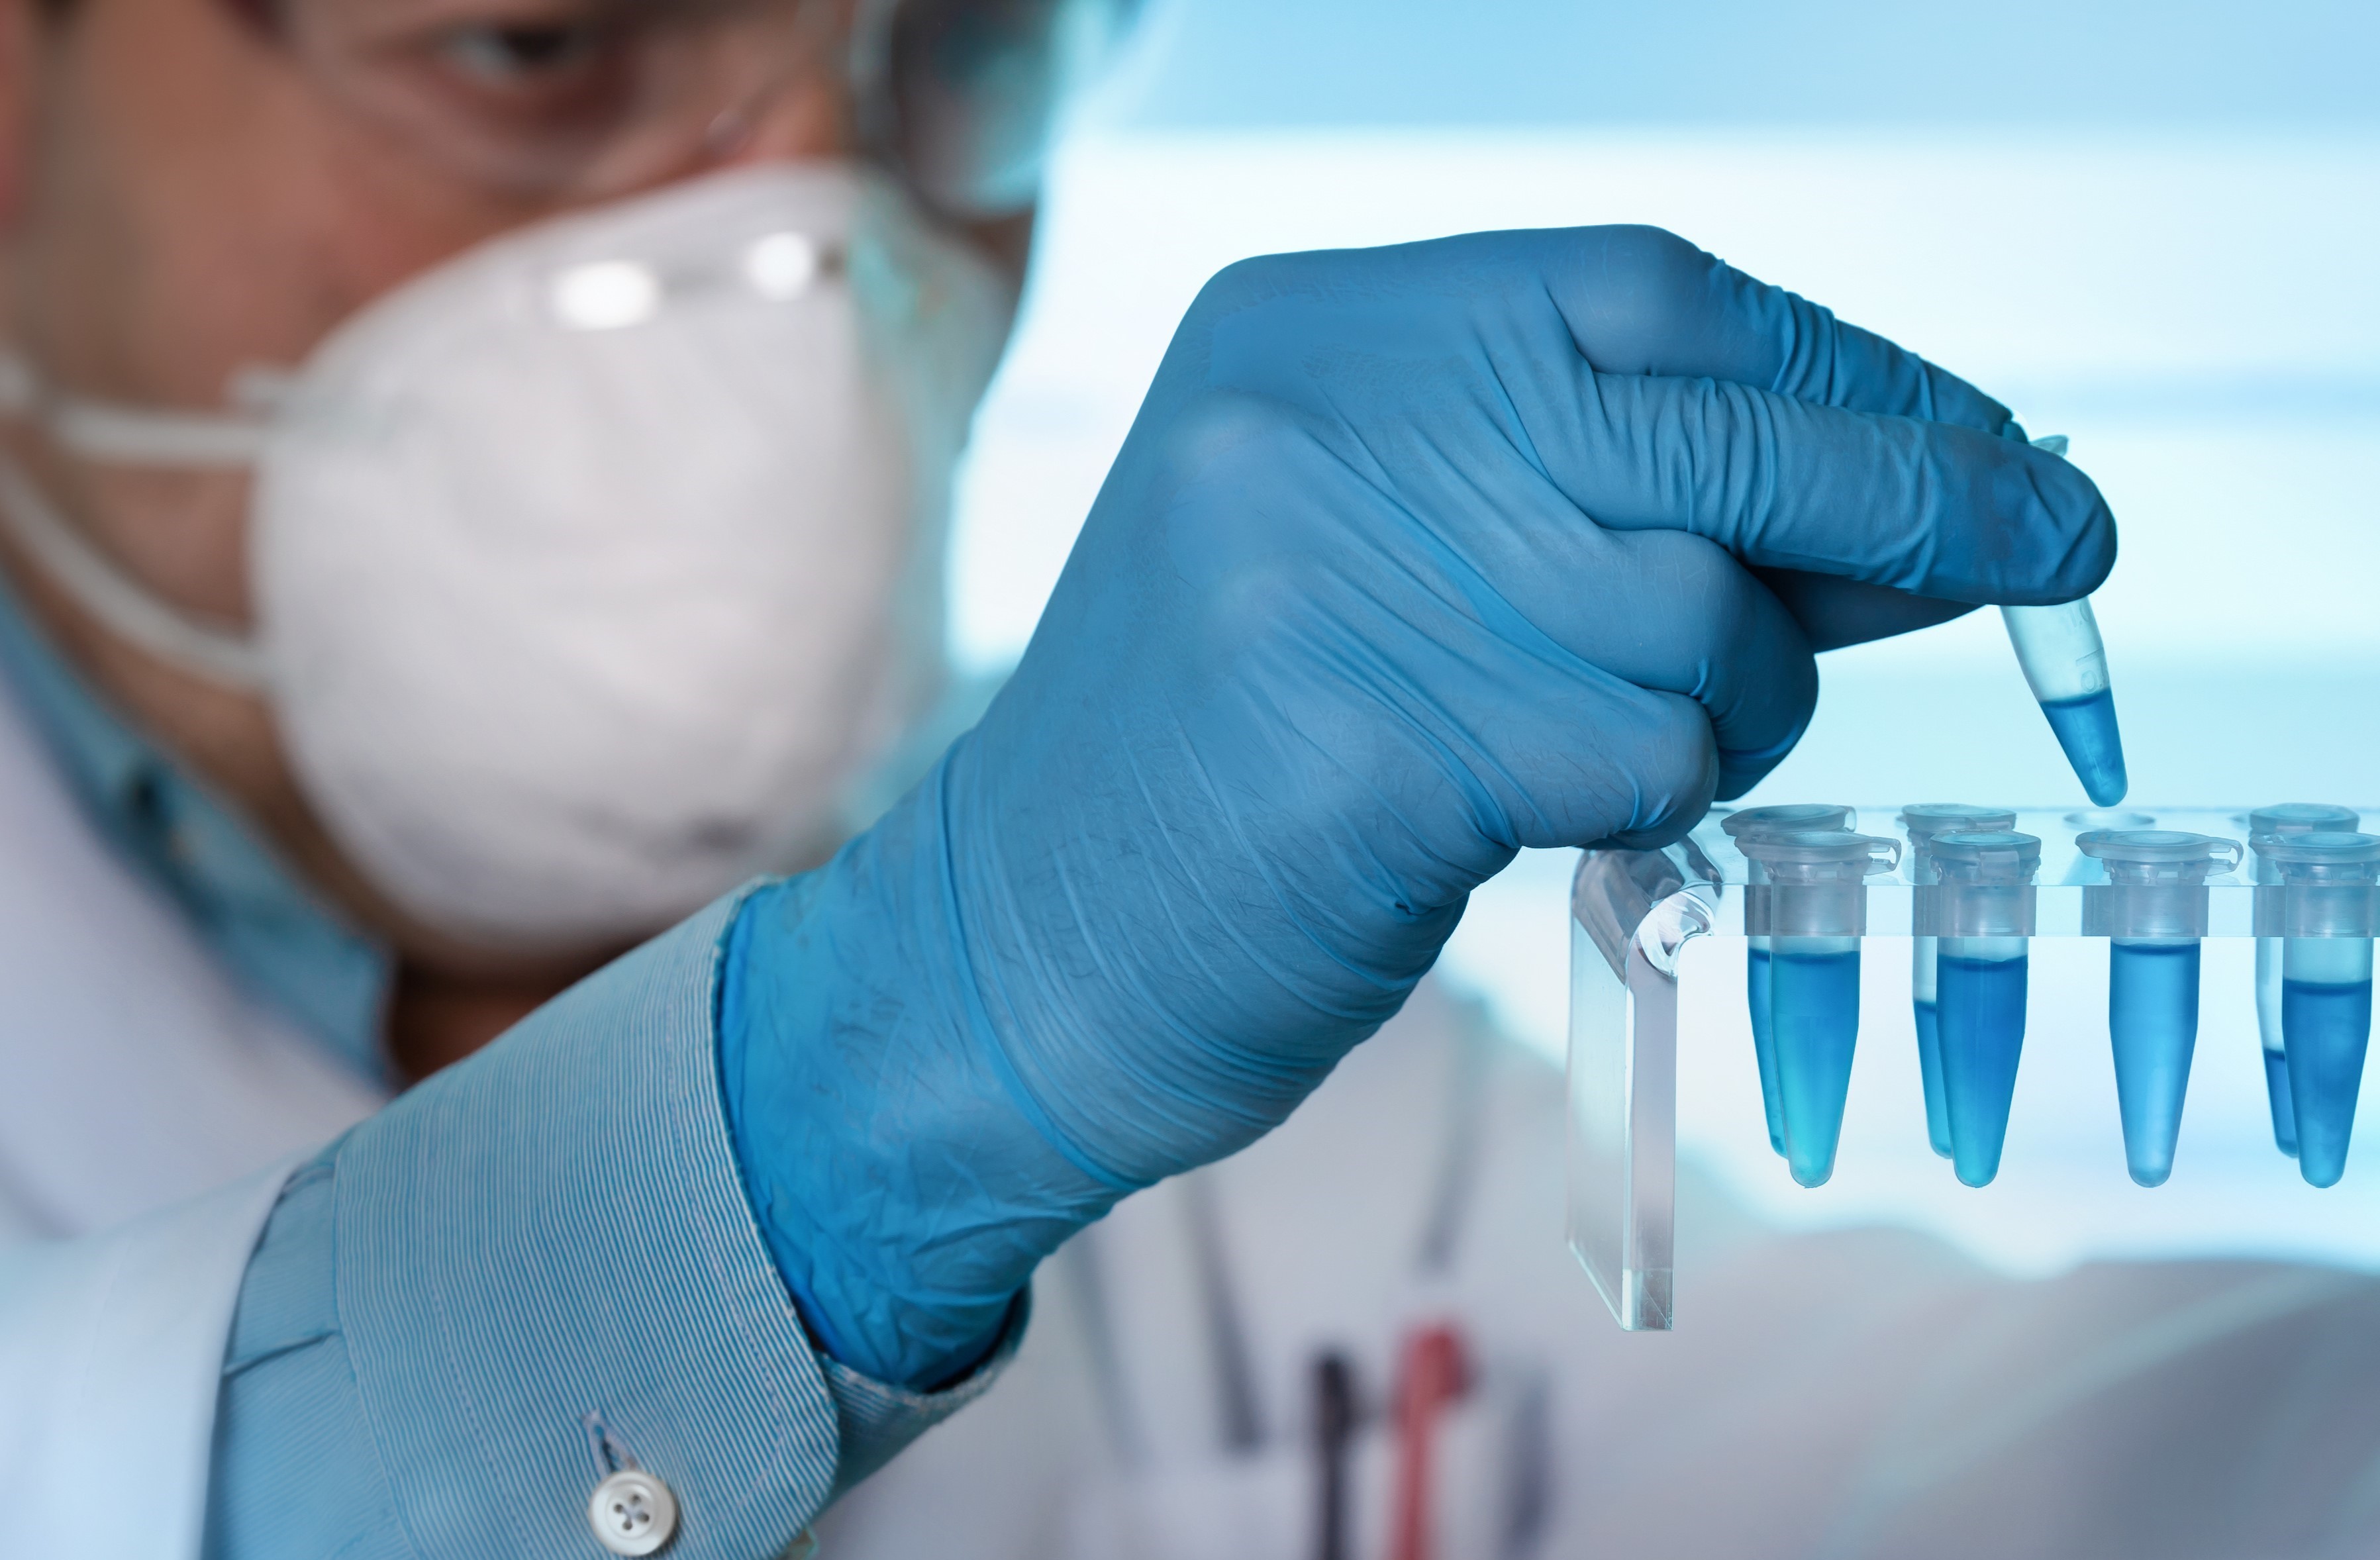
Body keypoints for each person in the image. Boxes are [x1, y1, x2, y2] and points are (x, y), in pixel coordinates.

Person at [12, 0, 2337, 1555]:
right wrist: (833, 1120)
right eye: (540, 40)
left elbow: (1960, 1464)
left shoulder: (1223, 1021)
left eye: (959, 54)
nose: (814, 256)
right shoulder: (997, 983)